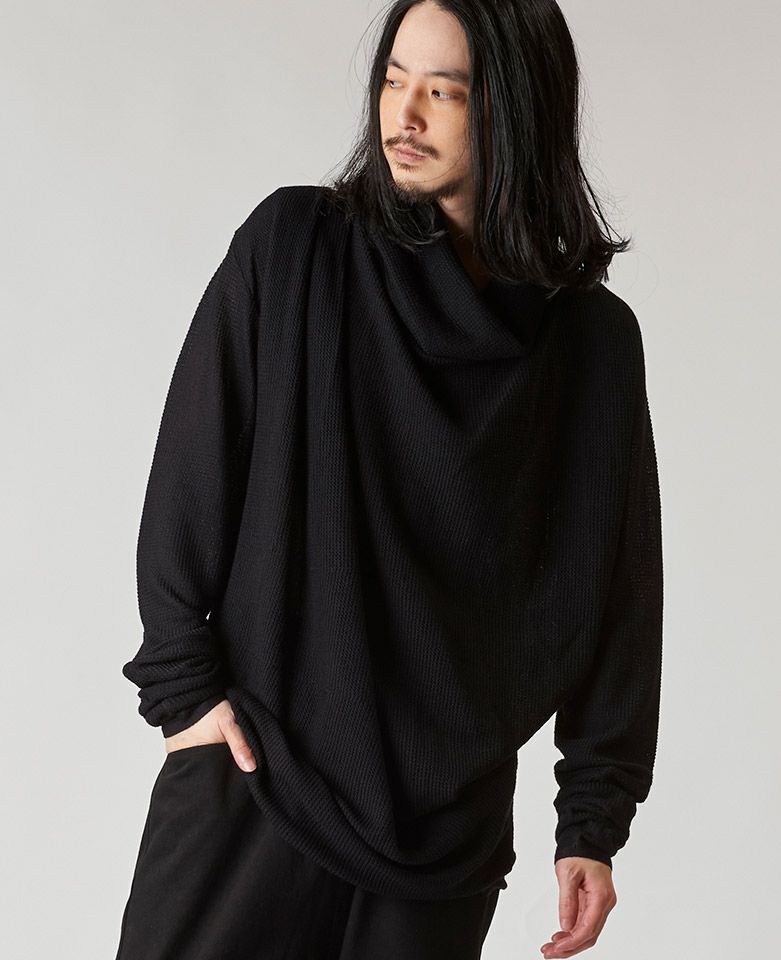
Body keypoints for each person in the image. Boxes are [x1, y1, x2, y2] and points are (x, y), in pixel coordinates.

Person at [115, 1, 663, 958]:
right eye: (394, 80)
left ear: (516, 108)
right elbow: (188, 483)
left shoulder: (591, 346)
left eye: (443, 91)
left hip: (442, 846)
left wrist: (593, 819)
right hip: (257, 783)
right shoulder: (297, 249)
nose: (402, 114)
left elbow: (618, 590)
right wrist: (183, 693)